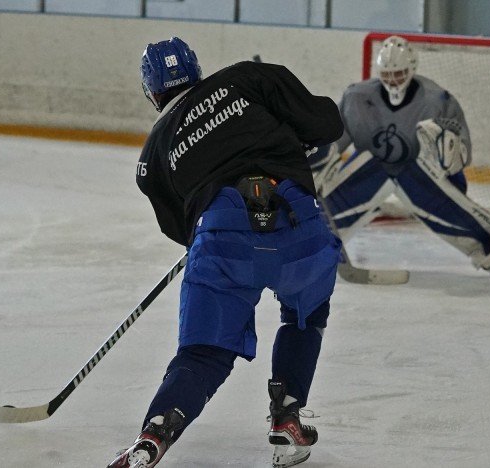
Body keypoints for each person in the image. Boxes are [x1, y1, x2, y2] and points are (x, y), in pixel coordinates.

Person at [106, 37, 344, 468]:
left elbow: (180, 229)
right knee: (306, 314)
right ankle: (287, 417)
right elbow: (326, 122)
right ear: (197, 69)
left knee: (203, 353)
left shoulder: (153, 154)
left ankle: (154, 436)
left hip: (223, 238)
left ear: (152, 90)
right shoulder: (248, 78)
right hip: (298, 230)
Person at [310, 35, 490, 277]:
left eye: (399, 73)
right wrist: (314, 159)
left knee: (446, 205)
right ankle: (308, 246)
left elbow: (460, 154)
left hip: (419, 172)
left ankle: (487, 247)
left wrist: (449, 159)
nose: (393, 81)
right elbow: (334, 139)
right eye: (387, 74)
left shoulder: (437, 100)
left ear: (412, 68)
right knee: (321, 215)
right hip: (373, 168)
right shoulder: (356, 97)